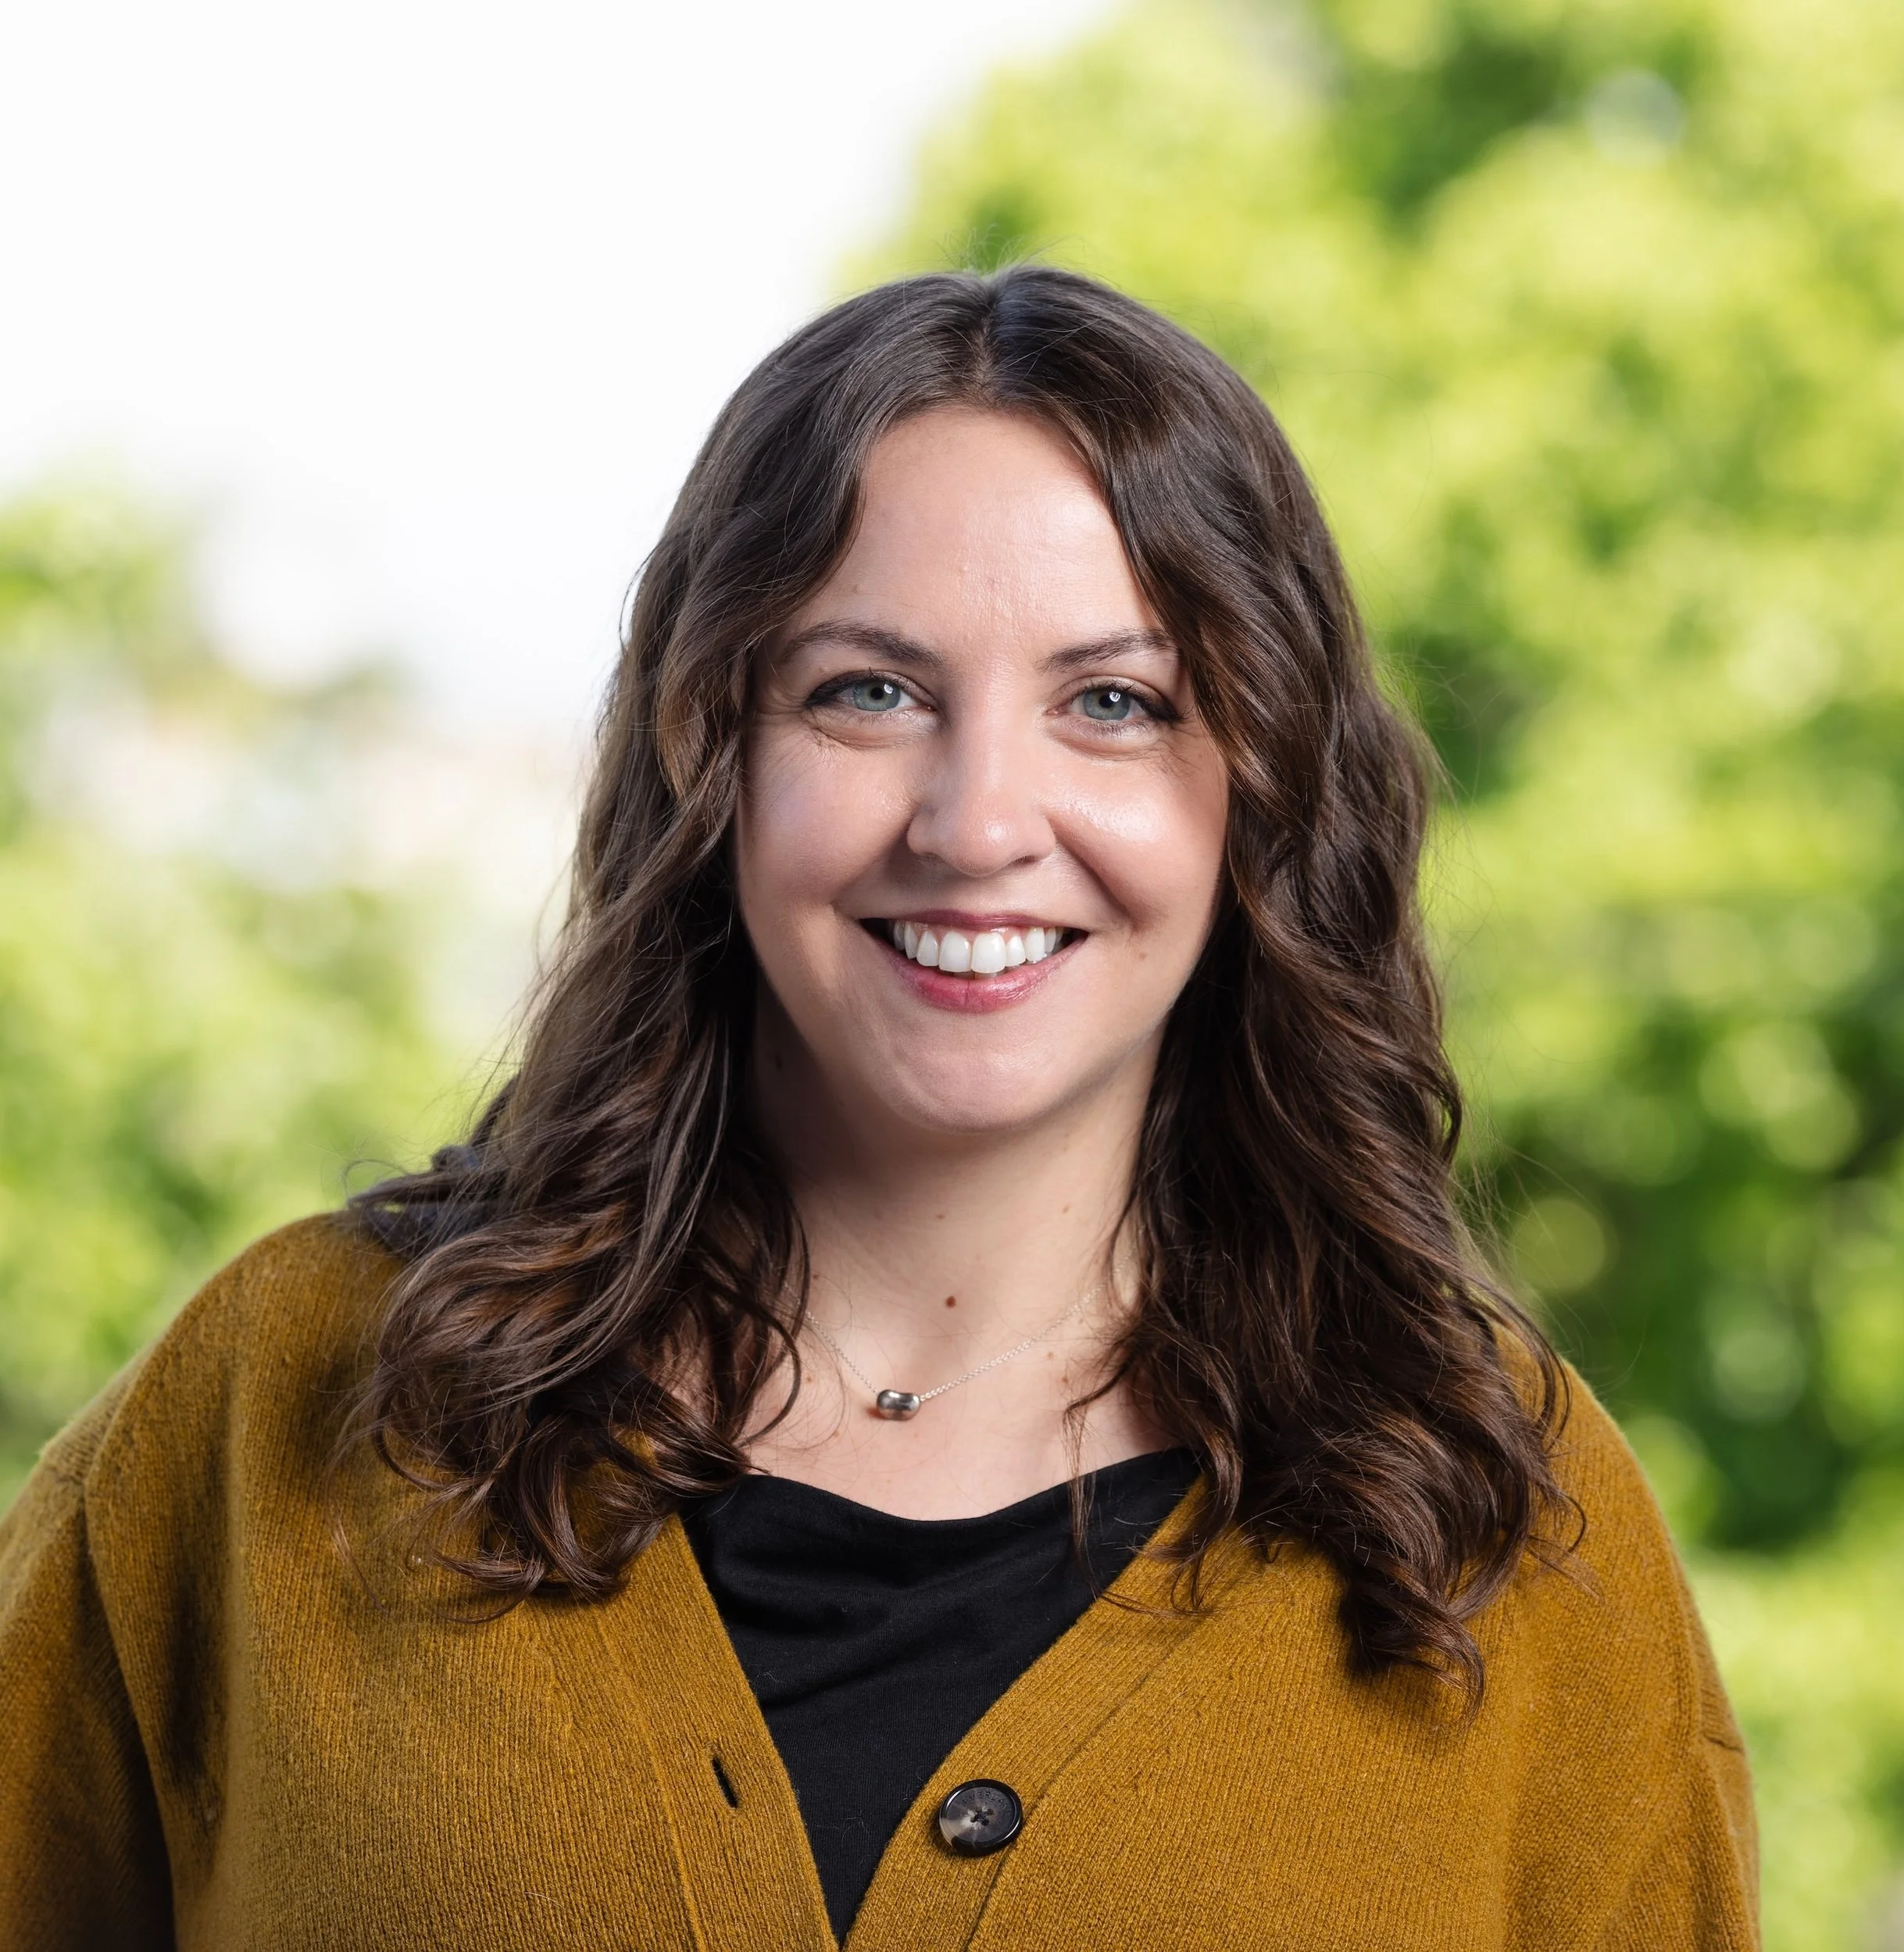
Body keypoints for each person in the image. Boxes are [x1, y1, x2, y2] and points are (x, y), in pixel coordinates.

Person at [0, 266, 1758, 1950]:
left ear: (1262, 793)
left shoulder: (1498, 1519)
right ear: (713, 751)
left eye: (1114, 703)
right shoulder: (283, 1409)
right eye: (870, 691)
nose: (977, 815)